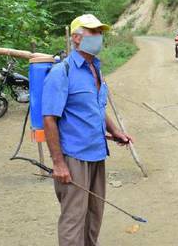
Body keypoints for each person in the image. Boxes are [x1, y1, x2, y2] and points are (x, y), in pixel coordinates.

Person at [42, 14, 133, 246]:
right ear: (76, 38)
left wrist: (115, 132)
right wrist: (59, 163)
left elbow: (96, 109)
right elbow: (49, 119)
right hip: (73, 157)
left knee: (94, 214)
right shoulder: (61, 73)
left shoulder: (96, 70)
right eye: (94, 32)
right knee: (73, 218)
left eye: (100, 32)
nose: (99, 37)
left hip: (96, 153)